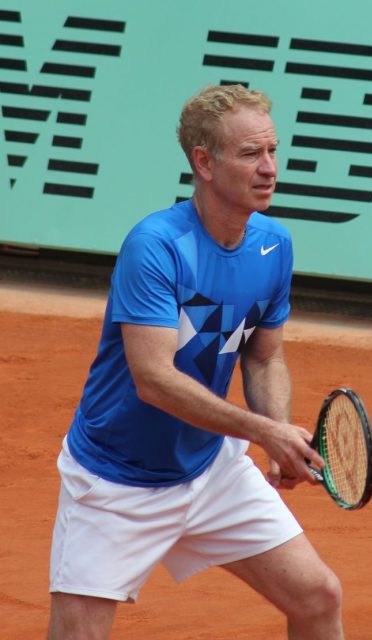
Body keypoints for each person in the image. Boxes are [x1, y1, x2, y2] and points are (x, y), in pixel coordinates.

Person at [47, 84, 345, 640]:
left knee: (319, 596)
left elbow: (264, 357)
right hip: (115, 481)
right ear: (204, 162)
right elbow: (154, 380)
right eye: (250, 154)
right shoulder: (156, 246)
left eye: (273, 151)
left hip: (210, 470)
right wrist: (262, 432)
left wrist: (276, 428)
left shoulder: (274, 245)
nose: (269, 168)